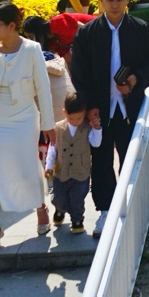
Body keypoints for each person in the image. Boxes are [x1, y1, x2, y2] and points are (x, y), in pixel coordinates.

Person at [70, 0, 149, 235]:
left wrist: (135, 79)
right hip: (99, 109)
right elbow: (79, 72)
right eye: (109, 0)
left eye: (119, 0)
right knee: (100, 160)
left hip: (129, 107)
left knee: (131, 157)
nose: (114, 5)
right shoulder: (87, 33)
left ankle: (132, 207)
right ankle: (105, 212)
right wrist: (88, 106)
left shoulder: (142, 30)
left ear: (127, 0)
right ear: (100, 0)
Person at [0, 1, 54, 254]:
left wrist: (48, 124)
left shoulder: (32, 49)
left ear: (12, 26)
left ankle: (40, 208)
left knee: (27, 168)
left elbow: (43, 89)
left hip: (24, 119)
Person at [45, 93, 103, 235]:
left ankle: (77, 220)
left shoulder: (87, 128)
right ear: (64, 112)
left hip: (80, 172)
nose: (76, 121)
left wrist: (97, 129)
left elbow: (96, 143)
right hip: (61, 172)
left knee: (77, 198)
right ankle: (60, 209)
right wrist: (49, 166)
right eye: (72, 118)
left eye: (79, 118)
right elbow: (53, 149)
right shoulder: (58, 128)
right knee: (59, 196)